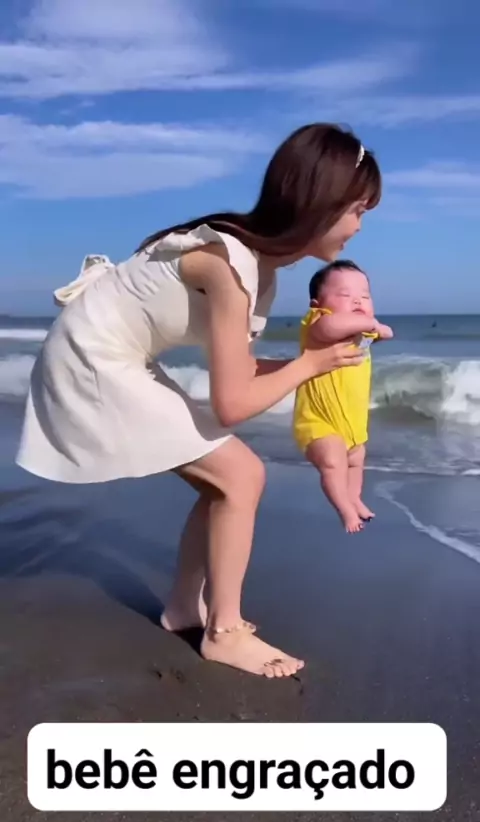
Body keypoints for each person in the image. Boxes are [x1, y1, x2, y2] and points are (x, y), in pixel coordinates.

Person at [16, 123, 382, 679]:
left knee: (225, 478)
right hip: (90, 358)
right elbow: (232, 404)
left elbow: (240, 372)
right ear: (320, 201)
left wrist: (312, 366)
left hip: (119, 355)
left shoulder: (257, 270)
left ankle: (186, 608)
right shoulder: (229, 263)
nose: (358, 226)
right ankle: (223, 632)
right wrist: (308, 365)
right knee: (241, 475)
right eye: (356, 210)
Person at [293, 260, 393, 533]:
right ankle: (345, 510)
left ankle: (354, 498)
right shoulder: (318, 323)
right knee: (333, 461)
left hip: (353, 423)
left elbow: (380, 334)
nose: (358, 301)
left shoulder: (361, 334)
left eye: (365, 296)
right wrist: (371, 322)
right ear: (317, 304)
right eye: (345, 295)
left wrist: (377, 331)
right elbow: (331, 327)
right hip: (317, 421)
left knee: (356, 460)